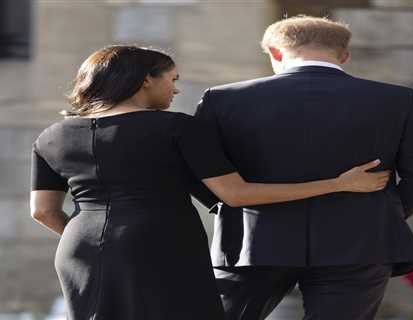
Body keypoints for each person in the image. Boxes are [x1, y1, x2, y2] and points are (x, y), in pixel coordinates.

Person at [30, 45, 391, 320]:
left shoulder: (51, 135)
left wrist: (100, 243)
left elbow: (43, 211)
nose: (174, 91)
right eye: (172, 80)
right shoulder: (175, 127)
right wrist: (338, 183)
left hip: (79, 248)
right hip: (160, 243)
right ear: (145, 81)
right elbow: (235, 194)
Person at [193, 15, 413, 320]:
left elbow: (198, 170)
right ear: (344, 56)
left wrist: (238, 206)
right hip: (359, 242)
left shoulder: (221, 99)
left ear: (275, 53)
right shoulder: (399, 100)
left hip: (253, 240)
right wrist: (376, 213)